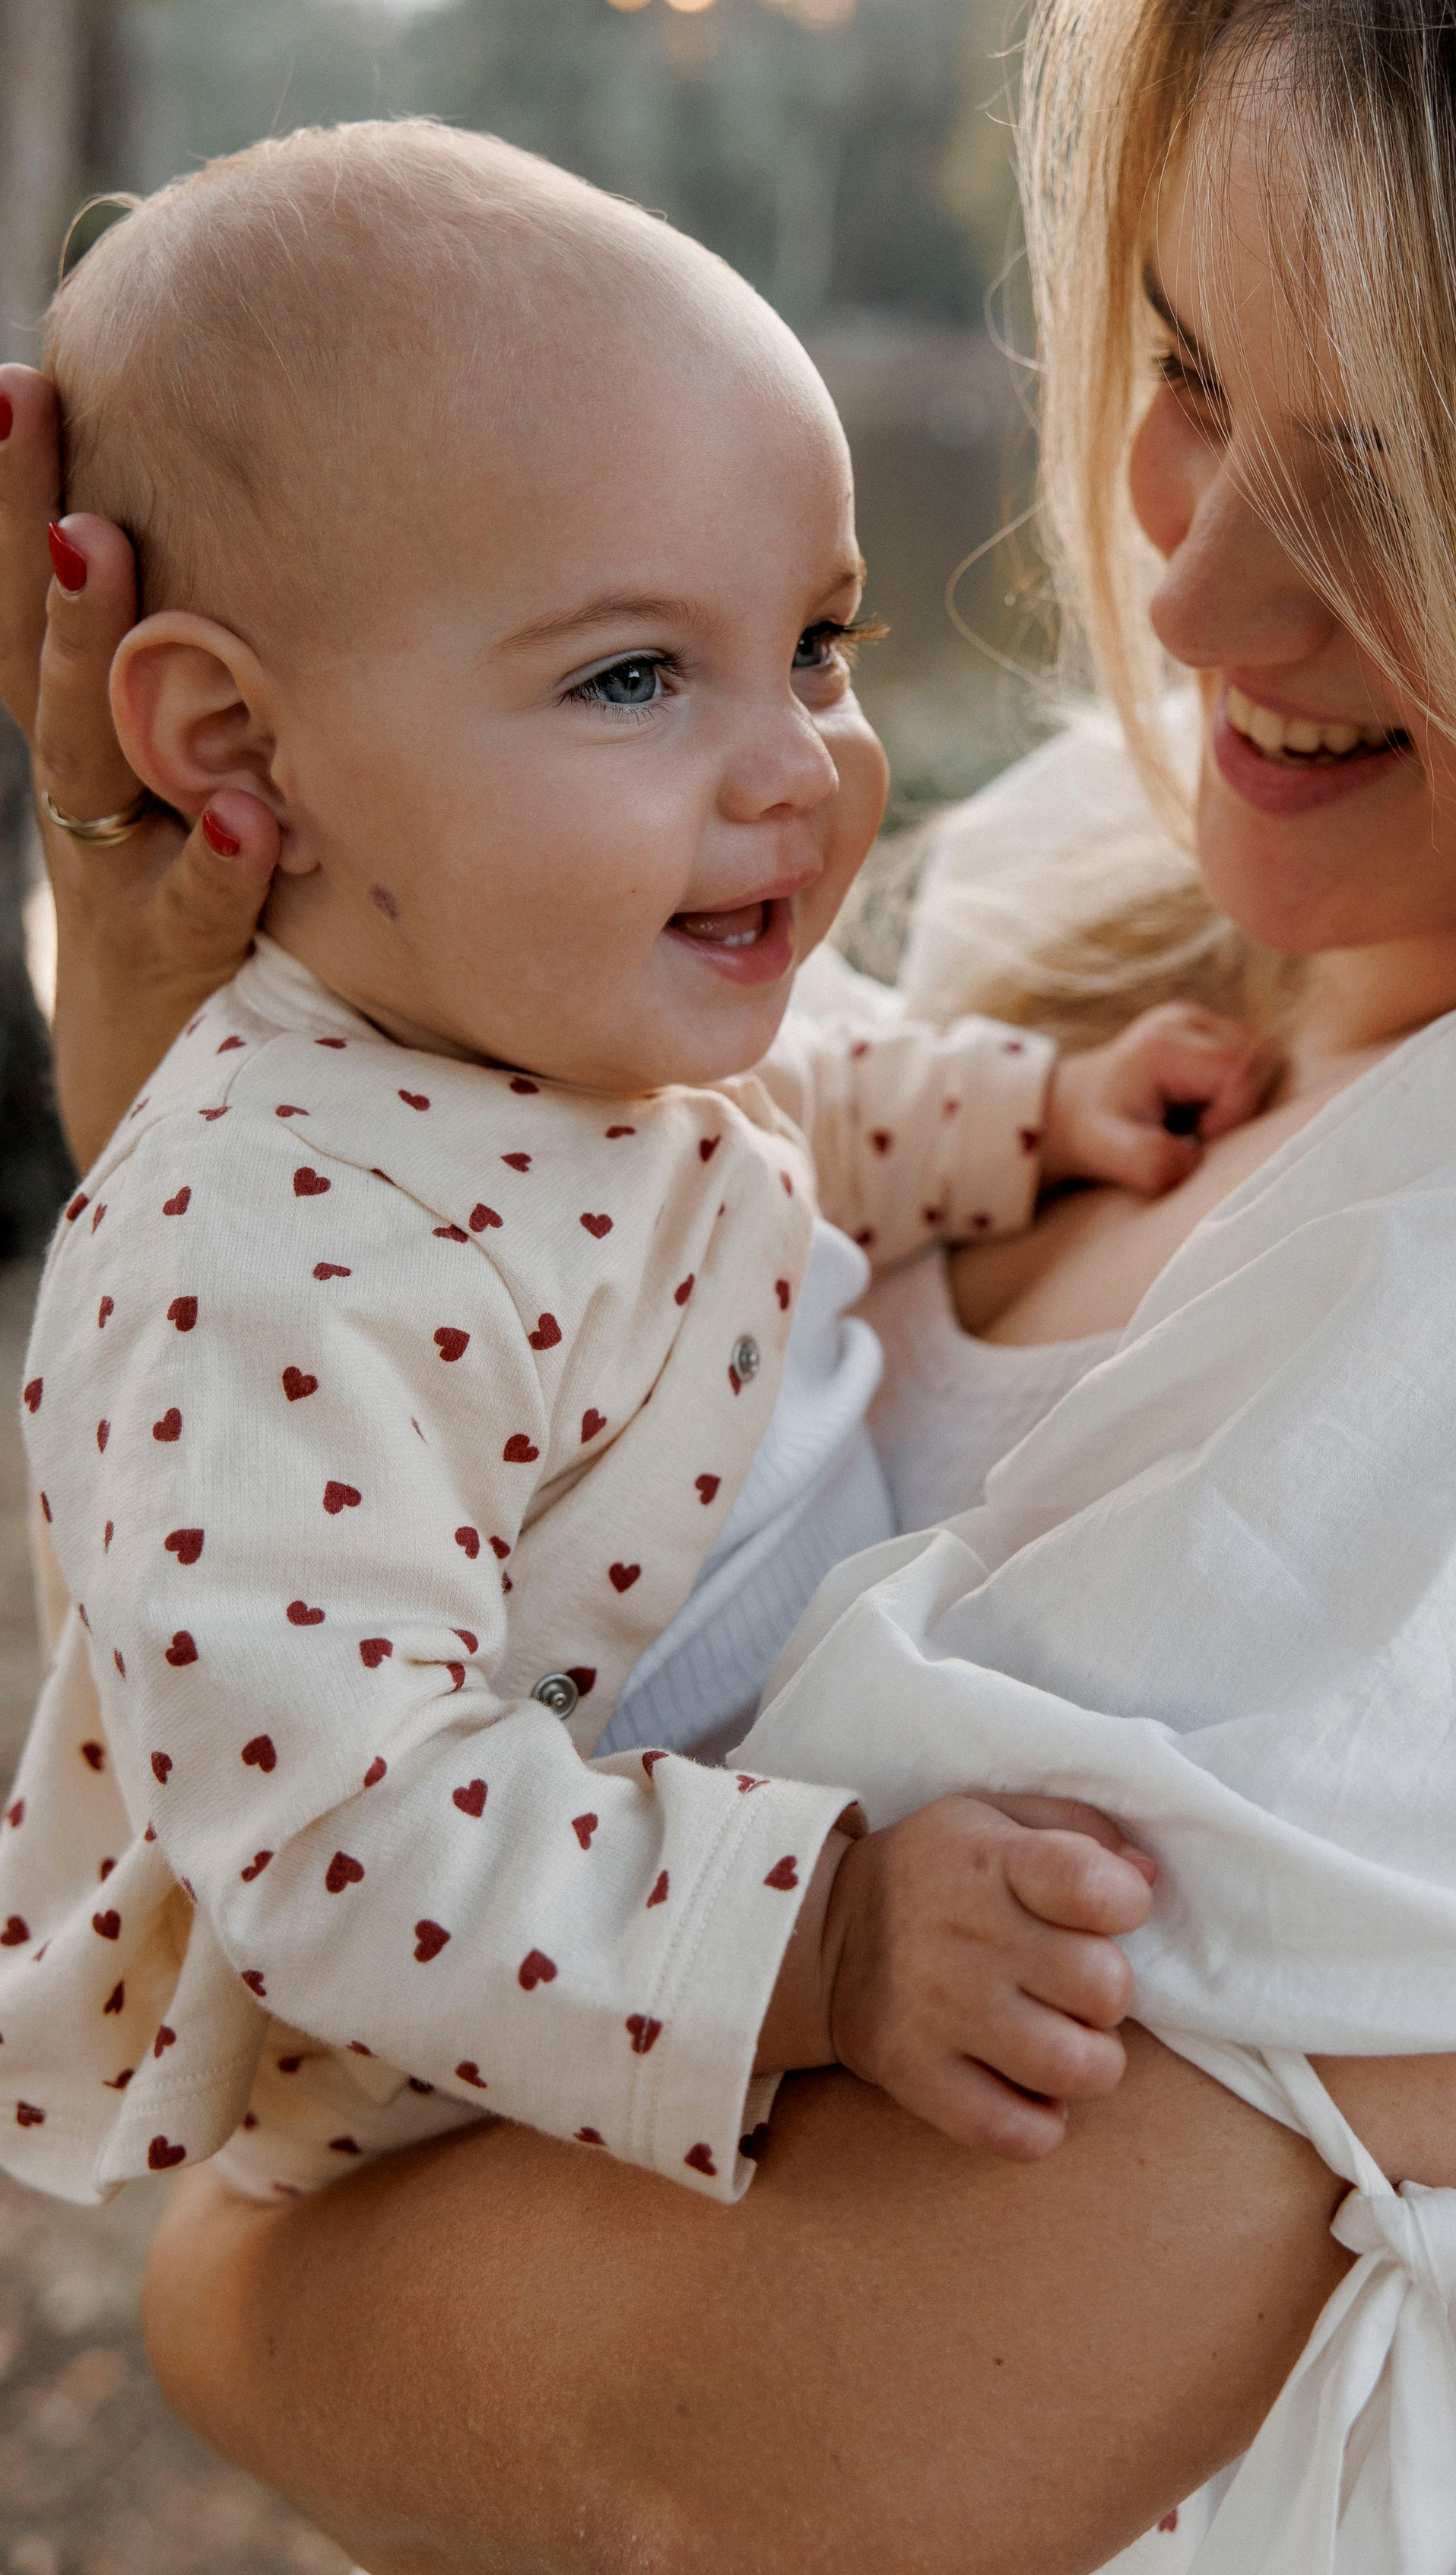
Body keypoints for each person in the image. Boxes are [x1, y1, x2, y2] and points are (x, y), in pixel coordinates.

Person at [6, 0, 1456, 2566]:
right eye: (1186, 366)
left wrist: (235, 2296)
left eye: (1413, 474)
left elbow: (735, 2448)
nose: (1187, 582)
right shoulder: (1113, 874)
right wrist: (262, 1102)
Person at [1, 117, 1273, 2207]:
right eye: (633, 675)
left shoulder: (582, 995)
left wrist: (1030, 1115)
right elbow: (348, 1840)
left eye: (821, 646)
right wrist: (823, 1945)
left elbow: (804, 1115)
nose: (798, 763)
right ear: (235, 750)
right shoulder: (247, 1268)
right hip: (521, 2067)